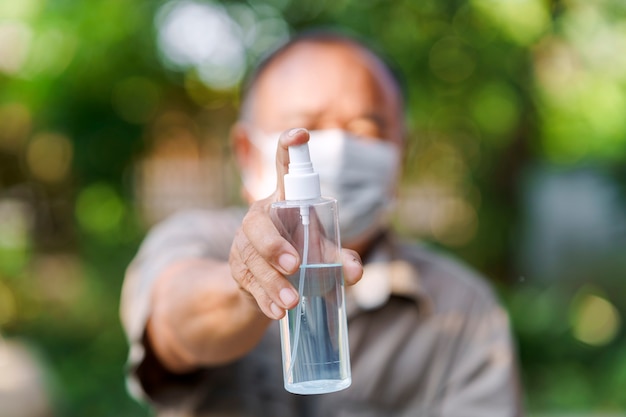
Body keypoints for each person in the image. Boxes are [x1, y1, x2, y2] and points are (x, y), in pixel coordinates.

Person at [120, 30, 523, 416]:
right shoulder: (194, 239)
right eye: (305, 129)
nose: (340, 150)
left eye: (365, 130)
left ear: (402, 152)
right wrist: (250, 284)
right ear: (246, 152)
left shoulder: (466, 307)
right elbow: (175, 322)